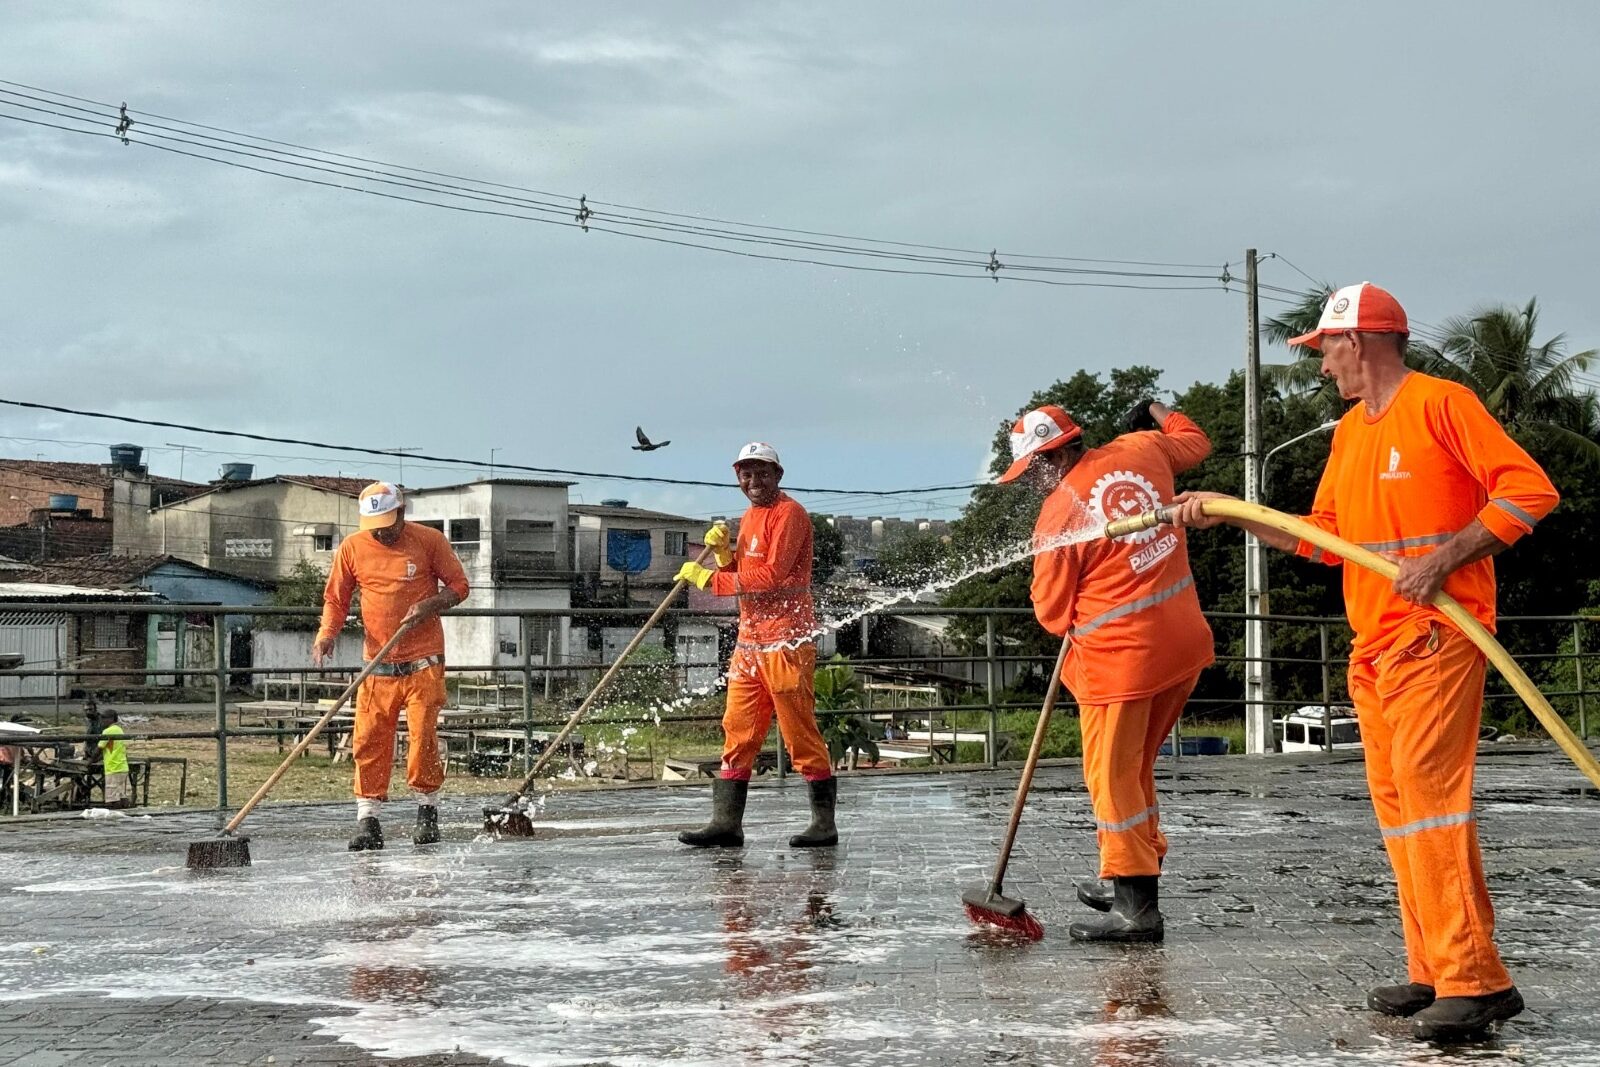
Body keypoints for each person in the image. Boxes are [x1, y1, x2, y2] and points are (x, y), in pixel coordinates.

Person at [1169, 282, 1559, 1041]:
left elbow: (1529, 490)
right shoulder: (1350, 434)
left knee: (1433, 804)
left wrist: (1446, 558)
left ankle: (1477, 979)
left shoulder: (1442, 404)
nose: (1321, 367)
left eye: (1325, 350)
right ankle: (1436, 968)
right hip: (1374, 647)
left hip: (1440, 637)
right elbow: (1323, 536)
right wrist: (1232, 509)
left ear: (1363, 342)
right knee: (1402, 813)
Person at [1000, 400, 1214, 942]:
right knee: (1136, 769)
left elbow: (1050, 613)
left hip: (1119, 666)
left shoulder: (1060, 515)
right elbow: (1195, 441)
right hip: (1182, 645)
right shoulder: (1142, 447)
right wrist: (1158, 410)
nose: (1034, 481)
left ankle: (1137, 908)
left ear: (1058, 453)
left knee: (1112, 780)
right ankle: (1128, 871)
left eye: (1036, 468)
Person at [673, 442, 837, 849]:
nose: (753, 480)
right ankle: (726, 823)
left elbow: (774, 576)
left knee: (799, 732)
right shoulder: (748, 518)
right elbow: (747, 574)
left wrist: (710, 580)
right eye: (746, 473)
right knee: (738, 731)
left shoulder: (791, 514)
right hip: (749, 642)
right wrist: (725, 557)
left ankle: (824, 824)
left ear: (778, 475)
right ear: (737, 478)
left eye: (762, 472)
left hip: (787, 639)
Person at [314, 481, 469, 851]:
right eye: (375, 525)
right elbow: (336, 599)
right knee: (369, 739)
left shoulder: (429, 541)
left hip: (424, 661)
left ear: (402, 512)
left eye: (388, 522)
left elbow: (460, 587)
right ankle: (368, 818)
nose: (382, 532)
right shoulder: (352, 548)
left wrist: (431, 604)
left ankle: (427, 810)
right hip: (378, 663)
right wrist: (326, 634)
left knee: (422, 738)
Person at [97, 709, 130, 809]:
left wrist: (90, 761)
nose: (102, 721)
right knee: (123, 795)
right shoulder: (119, 729)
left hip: (113, 768)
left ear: (111, 719)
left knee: (112, 799)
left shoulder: (107, 731)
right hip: (123, 767)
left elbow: (99, 748)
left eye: (104, 718)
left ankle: (114, 818)